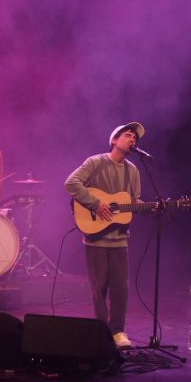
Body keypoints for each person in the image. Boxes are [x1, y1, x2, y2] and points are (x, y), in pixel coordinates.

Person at [64, 122, 145, 349]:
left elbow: (133, 201)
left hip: (120, 237)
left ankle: (118, 331)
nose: (132, 140)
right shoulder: (95, 162)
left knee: (121, 286)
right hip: (95, 235)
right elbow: (71, 183)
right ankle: (101, 331)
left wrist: (150, 207)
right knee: (98, 286)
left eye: (135, 138)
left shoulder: (133, 171)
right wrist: (96, 203)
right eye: (128, 135)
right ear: (114, 140)